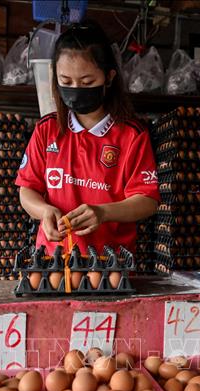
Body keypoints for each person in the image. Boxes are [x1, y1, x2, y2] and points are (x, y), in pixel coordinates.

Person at [16, 22, 159, 254]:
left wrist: (103, 212)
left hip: (110, 263)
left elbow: (147, 200)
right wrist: (44, 211)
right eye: (66, 81)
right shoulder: (47, 129)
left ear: (109, 77)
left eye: (87, 82)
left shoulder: (132, 135)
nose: (75, 89)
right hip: (53, 260)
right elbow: (27, 190)